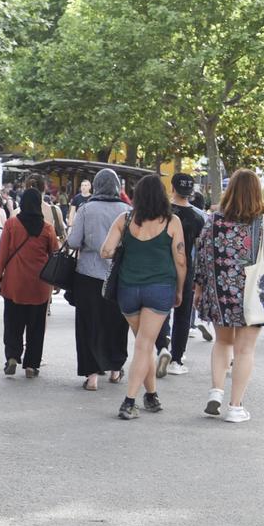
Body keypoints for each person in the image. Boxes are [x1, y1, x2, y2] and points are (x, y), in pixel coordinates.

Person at [192, 168, 264, 423]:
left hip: (220, 291)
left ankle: (216, 391)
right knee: (245, 350)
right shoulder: (263, 222)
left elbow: (201, 255)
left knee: (222, 342)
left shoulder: (213, 221)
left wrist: (199, 287)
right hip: (252, 294)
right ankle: (235, 407)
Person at [99, 173, 186, 420]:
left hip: (128, 289)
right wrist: (179, 290)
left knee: (142, 344)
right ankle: (129, 401)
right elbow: (181, 261)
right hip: (159, 289)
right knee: (145, 344)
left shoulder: (125, 219)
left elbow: (105, 251)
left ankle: (152, 395)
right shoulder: (172, 222)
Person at [65, 169, 131, 390]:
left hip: (87, 275)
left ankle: (92, 375)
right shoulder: (127, 211)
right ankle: (114, 369)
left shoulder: (86, 209)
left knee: (88, 324)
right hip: (117, 276)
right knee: (117, 323)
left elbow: (73, 242)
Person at [0, 186, 58, 378]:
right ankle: (31, 365)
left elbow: (2, 255)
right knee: (36, 328)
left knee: (13, 324)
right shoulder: (47, 228)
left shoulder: (12, 224)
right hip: (40, 286)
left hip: (14, 284)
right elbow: (54, 254)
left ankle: (12, 356)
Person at [154, 173, 209, 374]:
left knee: (159, 311)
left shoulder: (161, 212)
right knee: (183, 314)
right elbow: (200, 249)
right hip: (186, 268)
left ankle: (161, 347)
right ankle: (177, 360)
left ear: (173, 188)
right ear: (191, 192)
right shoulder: (197, 217)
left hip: (160, 268)